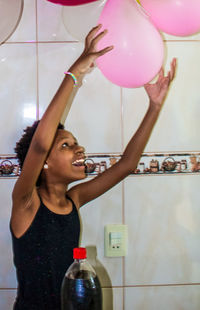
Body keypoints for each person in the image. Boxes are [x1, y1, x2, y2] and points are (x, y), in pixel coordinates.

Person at [10, 24, 176, 310]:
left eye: (75, 143)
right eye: (66, 145)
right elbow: (38, 145)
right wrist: (74, 73)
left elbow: (127, 165)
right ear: (44, 163)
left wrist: (154, 106)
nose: (80, 149)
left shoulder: (73, 200)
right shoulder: (26, 202)